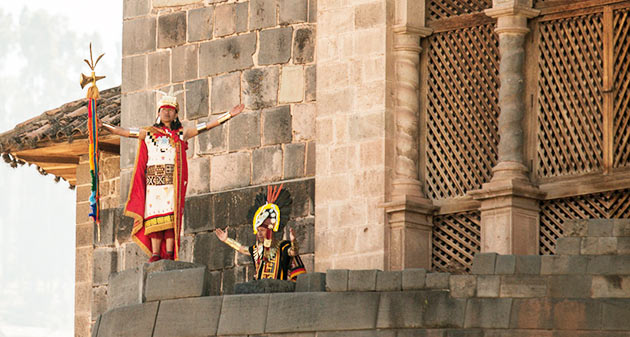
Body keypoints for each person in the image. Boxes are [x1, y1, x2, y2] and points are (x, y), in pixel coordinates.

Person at [100, 87, 244, 262]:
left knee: (169, 218)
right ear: (159, 112)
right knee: (153, 218)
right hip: (153, 183)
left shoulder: (181, 134)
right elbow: (123, 132)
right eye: (164, 110)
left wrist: (228, 115)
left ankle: (168, 252)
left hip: (171, 183)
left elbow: (205, 126)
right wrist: (103, 126)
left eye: (170, 110)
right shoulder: (148, 133)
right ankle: (155, 253)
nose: (167, 113)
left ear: (175, 114)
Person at [215, 185, 306, 281]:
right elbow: (242, 249)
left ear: (270, 230)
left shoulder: (283, 246)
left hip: (278, 290)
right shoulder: (256, 249)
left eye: (262, 230)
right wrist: (226, 240)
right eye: (258, 230)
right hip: (259, 288)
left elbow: (293, 252)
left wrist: (293, 241)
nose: (259, 233)